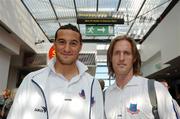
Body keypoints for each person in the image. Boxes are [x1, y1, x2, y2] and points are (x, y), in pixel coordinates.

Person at [7, 24, 104, 119]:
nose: (67, 49)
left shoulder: (92, 84)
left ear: (80, 47)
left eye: (73, 43)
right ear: (55, 45)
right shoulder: (31, 81)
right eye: (62, 42)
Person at [104, 35, 177, 118]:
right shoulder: (105, 96)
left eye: (126, 53)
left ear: (134, 58)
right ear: (111, 58)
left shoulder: (156, 90)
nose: (121, 58)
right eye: (117, 53)